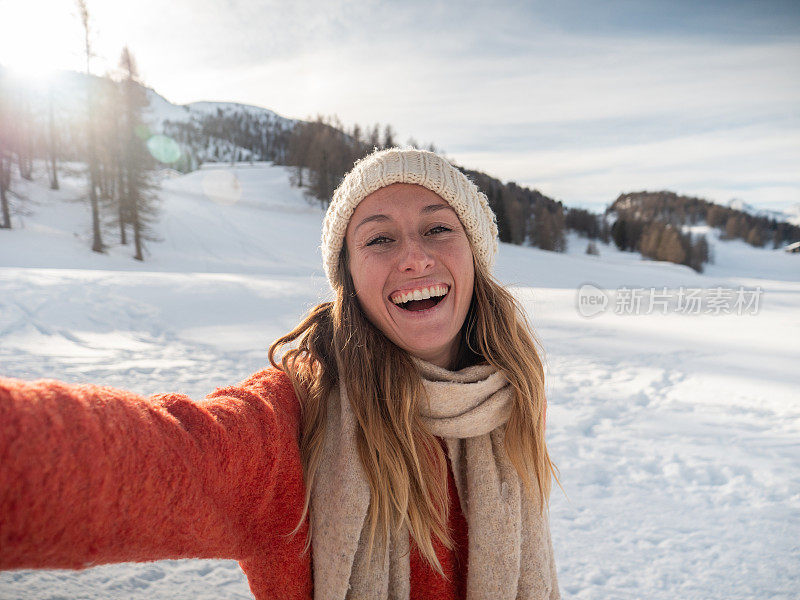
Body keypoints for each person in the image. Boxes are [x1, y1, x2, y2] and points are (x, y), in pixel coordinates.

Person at [0, 147, 560, 599]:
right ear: (349, 279)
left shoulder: (507, 396)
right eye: (380, 238)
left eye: (438, 229)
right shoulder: (299, 420)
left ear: (474, 256)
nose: (414, 257)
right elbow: (148, 460)